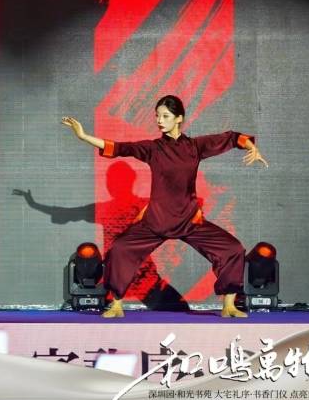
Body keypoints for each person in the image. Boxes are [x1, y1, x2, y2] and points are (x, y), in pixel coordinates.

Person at [62, 95, 268, 318]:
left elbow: (233, 138)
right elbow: (119, 148)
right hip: (156, 222)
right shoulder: (153, 149)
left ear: (179, 118)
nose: (159, 121)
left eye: (165, 116)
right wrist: (83, 136)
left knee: (232, 249)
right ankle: (116, 305)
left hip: (189, 221)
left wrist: (251, 147)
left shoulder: (195, 147)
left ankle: (229, 305)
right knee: (120, 249)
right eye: (157, 116)